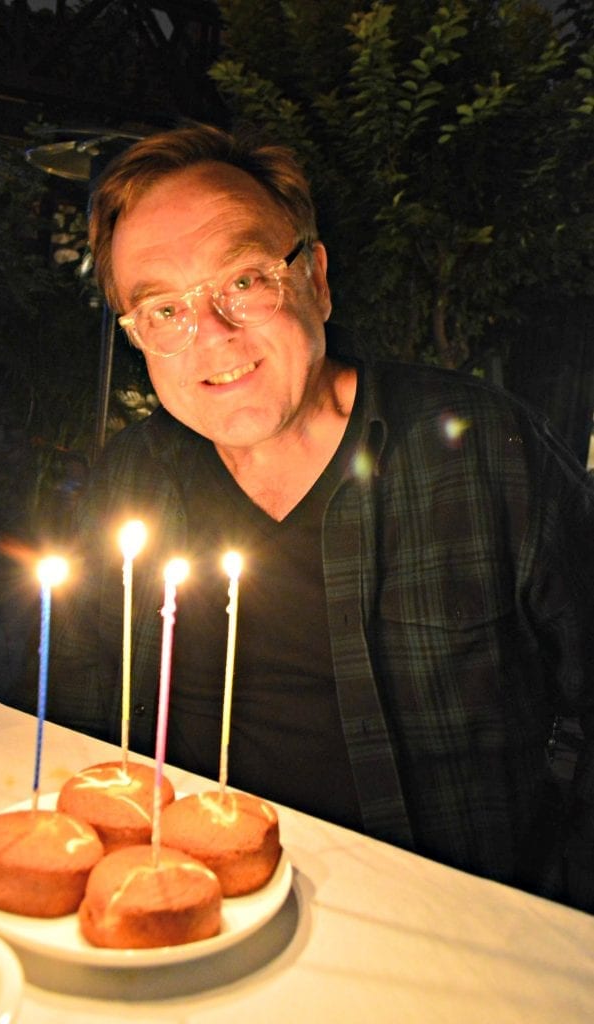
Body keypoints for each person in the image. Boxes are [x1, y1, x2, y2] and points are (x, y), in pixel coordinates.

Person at [49, 121, 594, 912]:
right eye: (162, 310)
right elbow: (80, 704)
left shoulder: (485, 452)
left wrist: (555, 906)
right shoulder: (133, 478)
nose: (211, 334)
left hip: (447, 920)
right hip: (190, 908)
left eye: (242, 281)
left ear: (317, 280)